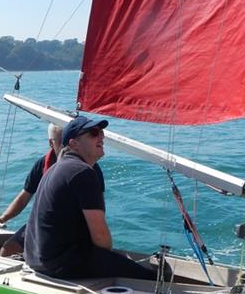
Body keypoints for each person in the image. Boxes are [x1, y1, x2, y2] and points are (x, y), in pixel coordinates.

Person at [23, 115, 159, 280]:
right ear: (74, 143)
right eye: (93, 133)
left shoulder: (54, 169)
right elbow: (101, 239)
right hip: (60, 265)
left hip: (37, 260)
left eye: (101, 132)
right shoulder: (82, 172)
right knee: (152, 279)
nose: (101, 136)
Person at [0, 122, 105, 257]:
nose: (65, 144)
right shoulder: (43, 164)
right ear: (51, 143)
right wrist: (2, 218)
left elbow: (98, 209)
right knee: (7, 250)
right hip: (45, 224)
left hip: (73, 226)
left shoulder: (88, 170)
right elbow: (23, 198)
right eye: (62, 140)